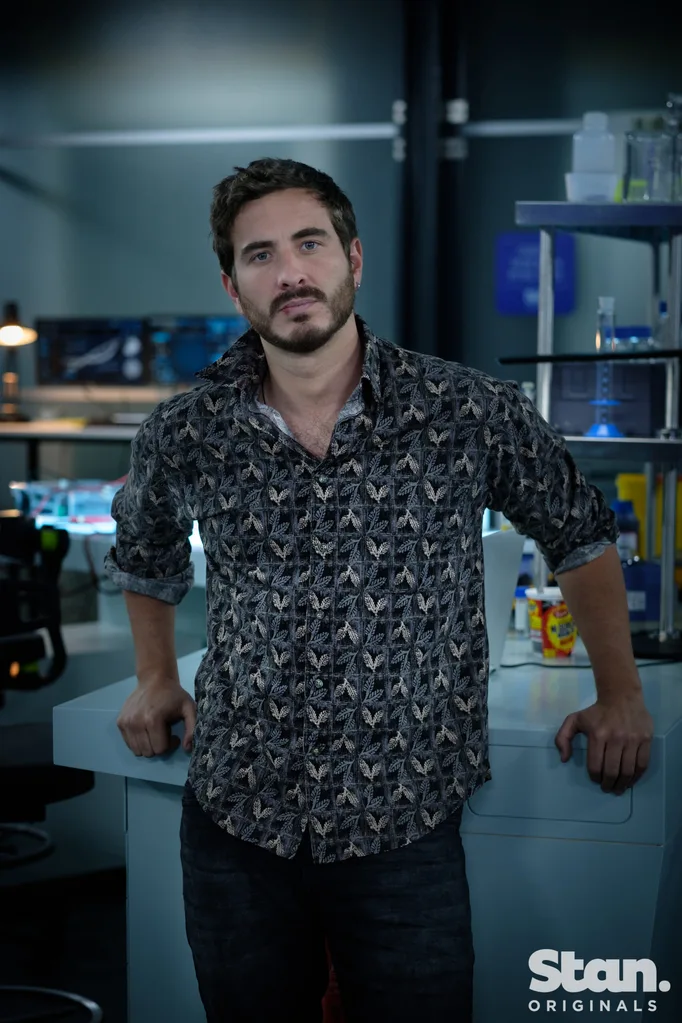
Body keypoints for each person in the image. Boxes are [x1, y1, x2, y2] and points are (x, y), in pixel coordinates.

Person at [106, 158, 654, 1023]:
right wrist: (154, 676)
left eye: (310, 243)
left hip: (405, 820)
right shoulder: (186, 429)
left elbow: (579, 536)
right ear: (232, 285)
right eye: (260, 254)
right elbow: (145, 550)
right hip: (236, 817)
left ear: (353, 258)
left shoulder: (466, 409)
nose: (290, 272)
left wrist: (619, 694)